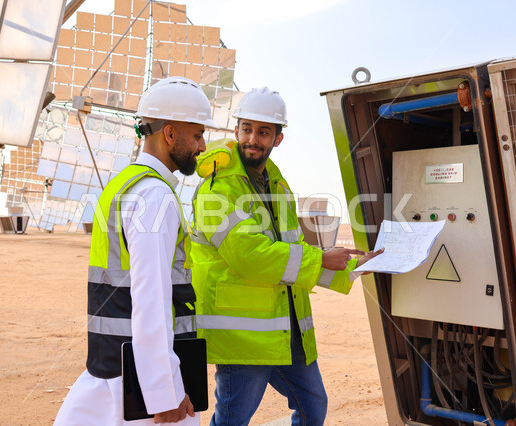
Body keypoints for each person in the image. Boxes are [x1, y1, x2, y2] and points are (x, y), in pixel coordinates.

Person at [189, 87, 383, 426]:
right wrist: (321, 259)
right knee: (233, 419)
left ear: (278, 139)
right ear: (236, 131)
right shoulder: (216, 189)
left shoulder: (278, 187)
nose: (253, 138)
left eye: (263, 132)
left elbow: (292, 252)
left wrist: (351, 267)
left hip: (284, 326)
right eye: (247, 129)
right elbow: (249, 255)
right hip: (243, 334)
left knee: (313, 405)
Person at [54, 77, 215, 425]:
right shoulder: (154, 196)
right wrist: (165, 392)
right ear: (170, 134)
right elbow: (152, 300)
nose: (203, 146)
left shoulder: (125, 184)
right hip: (143, 389)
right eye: (198, 134)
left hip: (111, 369)